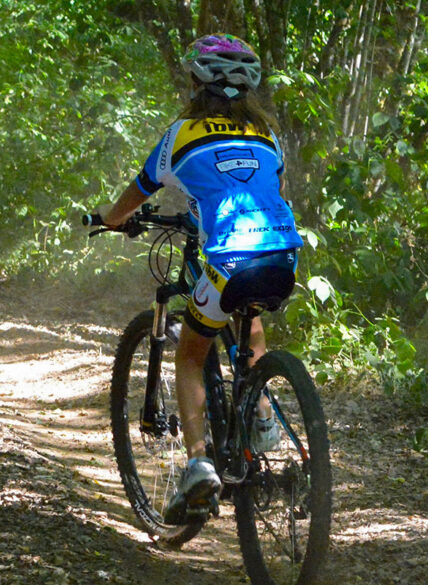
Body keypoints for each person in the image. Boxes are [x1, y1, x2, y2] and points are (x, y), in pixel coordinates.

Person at [98, 33, 304, 522]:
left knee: (191, 353)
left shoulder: (180, 135)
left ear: (195, 83)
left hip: (227, 258)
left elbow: (134, 197)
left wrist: (110, 218)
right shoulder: (268, 136)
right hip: (283, 255)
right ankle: (261, 416)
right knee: (248, 318)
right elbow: (262, 188)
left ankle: (198, 465)